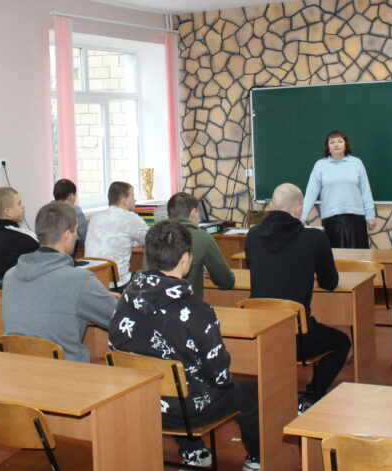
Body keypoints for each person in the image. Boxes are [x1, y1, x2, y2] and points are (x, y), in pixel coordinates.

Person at [110, 220, 261, 471]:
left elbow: (114, 349)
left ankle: (194, 452)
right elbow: (220, 376)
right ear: (185, 258)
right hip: (185, 410)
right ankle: (256, 459)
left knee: (176, 383)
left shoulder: (125, 299)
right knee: (249, 393)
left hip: (139, 400)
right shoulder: (197, 309)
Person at [247, 183, 350, 412]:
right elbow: (330, 283)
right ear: (298, 209)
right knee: (342, 342)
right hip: (297, 338)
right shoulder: (314, 239)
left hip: (260, 334)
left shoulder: (253, 236)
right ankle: (311, 396)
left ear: (271, 206)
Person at [2, 201, 118, 362]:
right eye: (76, 230)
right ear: (67, 235)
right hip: (66, 372)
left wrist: (96, 296)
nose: (78, 236)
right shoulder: (80, 281)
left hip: (18, 369)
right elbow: (122, 319)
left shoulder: (10, 276)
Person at [144, 192, 234, 297]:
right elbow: (226, 281)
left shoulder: (154, 236)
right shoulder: (203, 238)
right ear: (193, 212)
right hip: (187, 303)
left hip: (151, 302)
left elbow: (146, 272)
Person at [301, 129, 377, 249]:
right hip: (330, 218)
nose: (336, 144)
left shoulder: (357, 163)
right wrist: (302, 217)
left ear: (346, 145)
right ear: (328, 147)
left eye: (339, 141)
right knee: (334, 256)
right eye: (332, 142)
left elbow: (365, 191)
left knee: (358, 256)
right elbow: (311, 193)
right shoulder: (320, 165)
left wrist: (370, 216)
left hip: (355, 217)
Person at [85, 181, 147, 289]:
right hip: (117, 283)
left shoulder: (96, 217)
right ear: (124, 200)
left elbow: (111, 239)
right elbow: (152, 241)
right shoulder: (131, 218)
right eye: (133, 196)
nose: (135, 200)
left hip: (93, 281)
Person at [0, 187, 38, 279]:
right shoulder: (27, 237)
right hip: (16, 287)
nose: (23, 206)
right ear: (8, 211)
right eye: (19, 203)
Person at [52, 178, 88, 253]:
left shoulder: (46, 210)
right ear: (71, 196)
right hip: (72, 254)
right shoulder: (75, 211)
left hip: (49, 253)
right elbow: (85, 238)